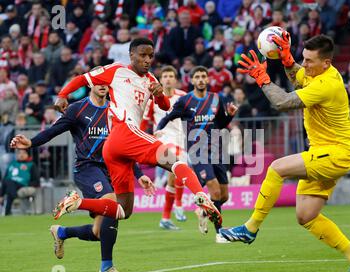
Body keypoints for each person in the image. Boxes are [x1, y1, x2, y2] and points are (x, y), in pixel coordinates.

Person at [219, 34, 350, 272]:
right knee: (306, 216)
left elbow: (282, 102)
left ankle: (250, 228)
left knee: (276, 168)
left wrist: (262, 79)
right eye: (303, 58)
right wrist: (288, 61)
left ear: (327, 63)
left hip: (334, 153)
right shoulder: (317, 73)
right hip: (328, 152)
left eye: (309, 61)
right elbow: (299, 77)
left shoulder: (327, 84)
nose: (305, 64)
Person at [53, 38, 221, 229]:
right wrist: (62, 95)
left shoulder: (151, 80)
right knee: (177, 161)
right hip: (125, 131)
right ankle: (201, 196)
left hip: (114, 147)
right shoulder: (116, 70)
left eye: (151, 56)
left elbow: (165, 106)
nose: (147, 60)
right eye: (143, 55)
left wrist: (159, 94)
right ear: (131, 55)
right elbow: (83, 78)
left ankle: (76, 203)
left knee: (124, 210)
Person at [10, 83, 154, 272]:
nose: (103, 85)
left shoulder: (116, 111)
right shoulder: (77, 109)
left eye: (106, 82)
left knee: (99, 232)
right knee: (111, 201)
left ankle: (61, 232)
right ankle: (106, 268)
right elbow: (53, 131)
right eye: (99, 82)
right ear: (91, 84)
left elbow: (123, 147)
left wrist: (139, 174)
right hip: (87, 168)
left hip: (109, 170)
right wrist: (31, 142)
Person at [157, 66, 238, 243]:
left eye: (203, 76)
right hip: (197, 151)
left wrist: (229, 116)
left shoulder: (217, 99)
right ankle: (219, 233)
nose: (201, 80)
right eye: (197, 77)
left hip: (216, 150)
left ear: (207, 80)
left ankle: (203, 210)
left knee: (224, 196)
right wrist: (157, 131)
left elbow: (221, 124)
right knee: (214, 190)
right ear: (192, 81)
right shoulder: (185, 101)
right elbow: (167, 117)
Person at [141, 65, 187, 230]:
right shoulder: (152, 100)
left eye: (170, 76)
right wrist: (143, 137)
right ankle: (179, 205)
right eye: (165, 76)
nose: (167, 78)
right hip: (162, 141)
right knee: (179, 165)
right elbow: (144, 122)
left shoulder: (183, 97)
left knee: (175, 176)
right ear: (160, 80)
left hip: (180, 140)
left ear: (175, 80)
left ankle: (165, 218)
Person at [0, 149, 39, 215]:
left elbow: (36, 181)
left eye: (23, 153)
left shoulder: (31, 165)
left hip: (23, 184)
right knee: (8, 183)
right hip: (11, 185)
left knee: (9, 183)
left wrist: (27, 184)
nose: (21, 155)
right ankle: (8, 212)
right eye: (19, 153)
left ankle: (7, 208)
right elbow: (4, 179)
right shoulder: (12, 164)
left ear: (27, 154)